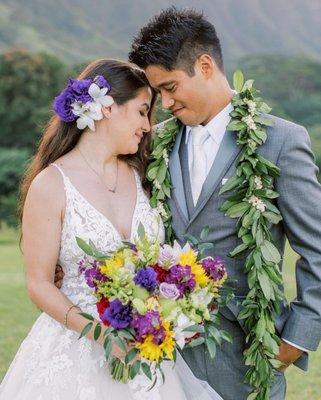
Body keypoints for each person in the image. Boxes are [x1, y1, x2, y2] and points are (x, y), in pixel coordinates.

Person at [127, 6, 321, 400]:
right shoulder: (155, 142)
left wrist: (298, 338)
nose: (165, 104)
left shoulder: (281, 142)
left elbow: (316, 248)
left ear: (204, 65)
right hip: (160, 358)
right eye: (157, 93)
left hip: (245, 359)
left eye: (170, 88)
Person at [0, 58, 222, 400]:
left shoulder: (145, 176)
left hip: (145, 353)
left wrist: (173, 311)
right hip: (74, 349)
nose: (148, 126)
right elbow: (39, 284)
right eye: (142, 111)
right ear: (107, 109)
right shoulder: (51, 184)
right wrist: (102, 335)